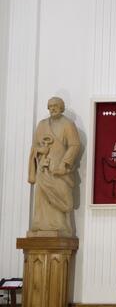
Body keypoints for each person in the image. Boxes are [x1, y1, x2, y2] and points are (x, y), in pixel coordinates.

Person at [27, 96, 81, 236]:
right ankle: (40, 225)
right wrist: (40, 151)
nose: (52, 108)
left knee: (62, 196)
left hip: (59, 170)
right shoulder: (42, 125)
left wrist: (64, 163)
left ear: (61, 107)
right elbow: (35, 146)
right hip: (44, 169)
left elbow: (74, 145)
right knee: (42, 198)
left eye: (56, 105)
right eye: (50, 106)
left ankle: (61, 226)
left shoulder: (68, 124)